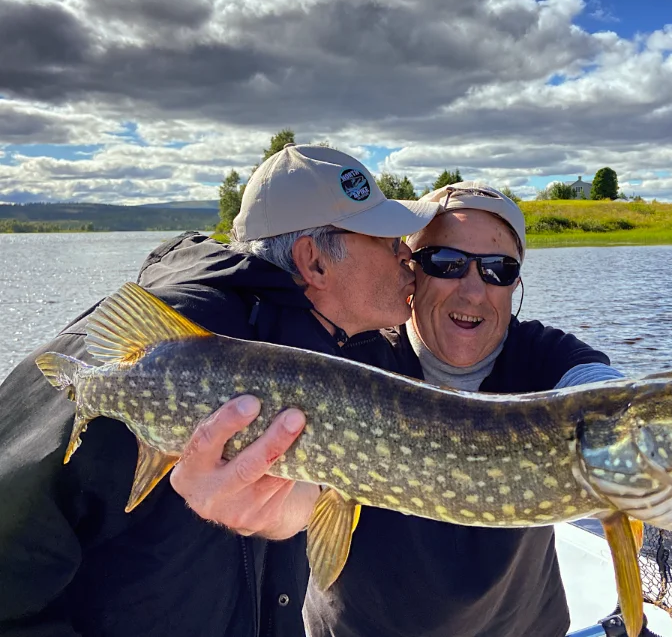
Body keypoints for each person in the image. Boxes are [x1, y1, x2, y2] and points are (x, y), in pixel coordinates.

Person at [301, 183, 672, 637]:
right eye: (447, 263)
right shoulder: (350, 355)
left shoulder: (550, 356)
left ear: (515, 285)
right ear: (411, 272)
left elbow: (608, 398)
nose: (473, 289)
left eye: (498, 270)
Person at [0, 144, 439, 637]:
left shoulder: (336, 349)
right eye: (388, 241)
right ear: (314, 262)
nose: (409, 255)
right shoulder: (154, 353)